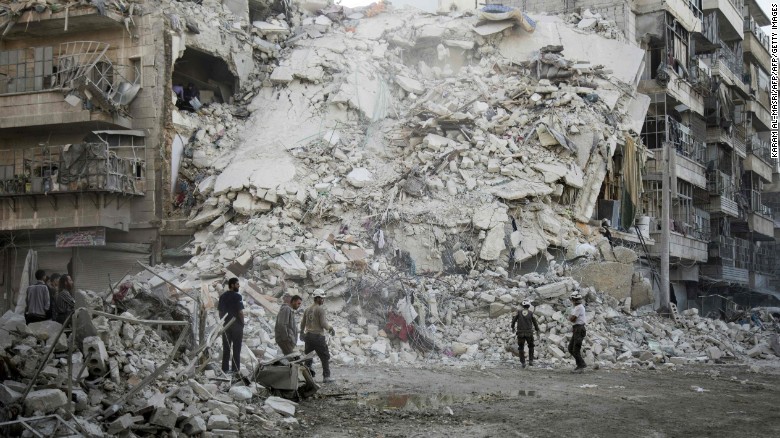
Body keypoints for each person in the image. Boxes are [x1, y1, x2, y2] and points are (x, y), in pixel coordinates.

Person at [300, 289, 335, 383]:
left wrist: (301, 333)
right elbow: (323, 324)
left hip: (308, 336)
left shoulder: (307, 309)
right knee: (324, 357)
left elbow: (302, 323)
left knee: (308, 357)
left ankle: (308, 378)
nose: (323, 300)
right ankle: (326, 377)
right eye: (322, 298)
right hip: (318, 337)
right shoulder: (320, 309)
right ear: (318, 298)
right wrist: (330, 328)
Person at [218, 277, 245, 374]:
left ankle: (225, 369)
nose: (239, 286)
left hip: (226, 326)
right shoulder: (238, 297)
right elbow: (240, 312)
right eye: (237, 284)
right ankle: (235, 370)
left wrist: (223, 322)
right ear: (232, 285)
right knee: (236, 348)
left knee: (226, 348)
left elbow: (220, 312)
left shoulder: (222, 296)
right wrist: (242, 323)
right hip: (237, 325)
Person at [511, 299, 540, 368]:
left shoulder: (519, 312)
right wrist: (537, 330)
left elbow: (514, 320)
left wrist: (512, 327)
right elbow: (535, 322)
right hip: (529, 333)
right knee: (531, 346)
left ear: (523, 305)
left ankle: (523, 362)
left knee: (521, 347)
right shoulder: (530, 313)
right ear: (529, 306)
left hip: (520, 333)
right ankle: (530, 361)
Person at [568, 292, 588, 373]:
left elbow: (573, 319)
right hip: (577, 329)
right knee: (570, 348)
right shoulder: (577, 307)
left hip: (579, 329)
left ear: (573, 300)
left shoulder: (578, 308)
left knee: (575, 349)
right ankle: (579, 364)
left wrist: (569, 317)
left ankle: (581, 365)